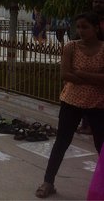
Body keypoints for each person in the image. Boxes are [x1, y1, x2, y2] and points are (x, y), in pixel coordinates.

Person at [35, 11, 104, 198]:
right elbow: (65, 74)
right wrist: (94, 79)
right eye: (79, 27)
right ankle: (48, 182)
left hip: (98, 104)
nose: (81, 31)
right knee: (61, 143)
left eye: (85, 27)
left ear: (96, 27)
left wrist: (81, 74)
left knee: (101, 146)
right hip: (71, 101)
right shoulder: (71, 47)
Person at [76, 0, 104, 135]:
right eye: (95, 1)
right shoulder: (87, 18)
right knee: (84, 92)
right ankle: (85, 124)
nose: (97, 4)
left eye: (100, 2)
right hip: (87, 57)